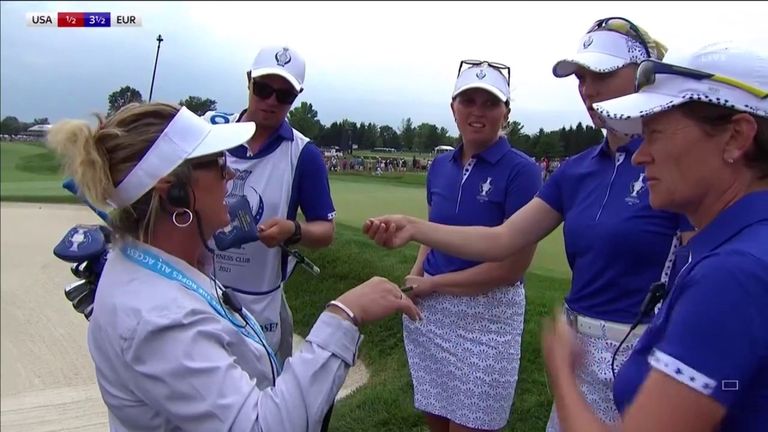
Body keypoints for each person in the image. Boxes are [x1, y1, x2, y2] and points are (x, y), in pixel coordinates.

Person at [363, 17, 693, 430]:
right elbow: (502, 239)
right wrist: (414, 227)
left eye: (602, 74)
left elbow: (702, 272)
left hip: (645, 352)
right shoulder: (576, 171)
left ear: (644, 76)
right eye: (581, 77)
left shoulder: (678, 162)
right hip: (577, 349)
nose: (587, 89)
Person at [46, 102, 421, 431]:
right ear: (172, 190)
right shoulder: (159, 320)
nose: (230, 175)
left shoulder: (155, 269)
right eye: (216, 163)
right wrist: (345, 314)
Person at [543, 39, 768, 432]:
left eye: (656, 134)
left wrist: (562, 371)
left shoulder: (733, 276)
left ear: (735, 137)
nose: (640, 155)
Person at [401, 60, 541, 432]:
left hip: (488, 318)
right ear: (453, 108)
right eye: (468, 100)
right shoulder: (439, 166)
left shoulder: (522, 170)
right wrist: (415, 274)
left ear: (506, 112)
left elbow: (511, 268)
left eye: (490, 103)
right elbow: (433, 229)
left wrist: (431, 284)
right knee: (437, 421)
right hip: (431, 314)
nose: (477, 111)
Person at [203, 45, 336, 368]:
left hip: (261, 304)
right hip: (201, 288)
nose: (271, 101)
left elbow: (325, 230)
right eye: (263, 89)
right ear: (249, 82)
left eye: (284, 95)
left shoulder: (304, 154)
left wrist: (294, 230)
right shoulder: (211, 133)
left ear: (296, 96)